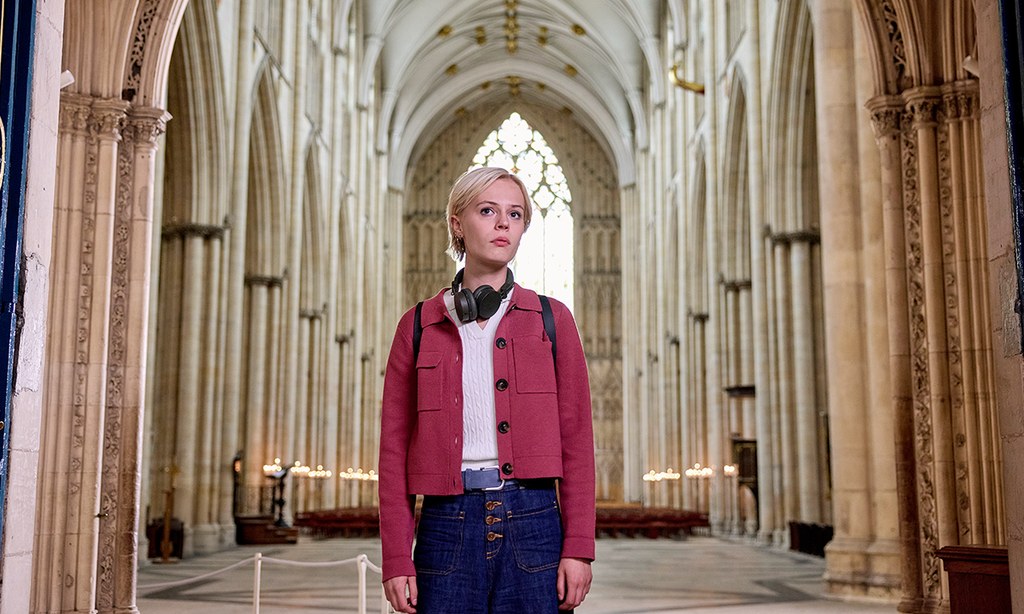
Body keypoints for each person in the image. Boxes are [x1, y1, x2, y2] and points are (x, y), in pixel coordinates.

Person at [378, 166, 596, 613]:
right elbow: (393, 449)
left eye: (515, 215)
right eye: (488, 210)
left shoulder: (552, 321)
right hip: (444, 526)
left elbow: (577, 441)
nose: (503, 224)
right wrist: (397, 556)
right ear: (457, 223)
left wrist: (577, 548)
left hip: (535, 524)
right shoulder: (418, 325)